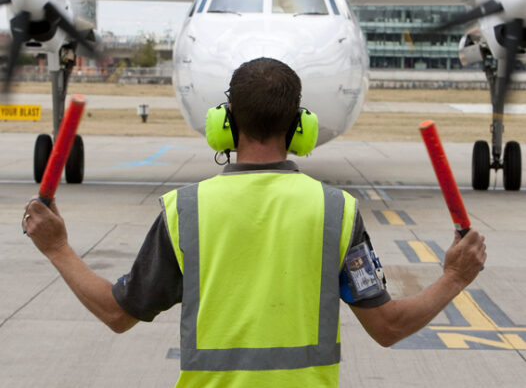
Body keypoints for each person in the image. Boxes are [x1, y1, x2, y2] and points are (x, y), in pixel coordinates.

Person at [22, 57, 486, 388]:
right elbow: (388, 327)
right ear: (300, 127)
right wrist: (454, 277)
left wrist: (57, 247)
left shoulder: (186, 210)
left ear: (224, 123)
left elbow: (116, 313)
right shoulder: (336, 211)